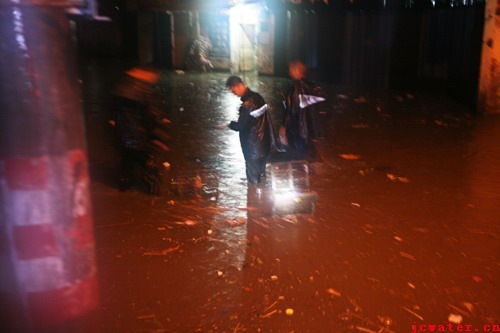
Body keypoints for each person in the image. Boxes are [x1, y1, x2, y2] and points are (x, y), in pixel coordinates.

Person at [226, 76, 275, 184]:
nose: (234, 93)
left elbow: (240, 126)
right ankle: (262, 199)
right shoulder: (257, 97)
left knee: (253, 183)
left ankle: (254, 199)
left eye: (233, 91)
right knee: (262, 178)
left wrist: (229, 124)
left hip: (253, 148)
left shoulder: (247, 104)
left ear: (238, 86)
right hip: (263, 145)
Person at [281, 60, 326, 153]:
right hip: (310, 132)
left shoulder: (295, 88)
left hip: (298, 132)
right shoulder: (312, 87)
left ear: (297, 70)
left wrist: (284, 126)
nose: (289, 72)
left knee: (298, 159)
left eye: (291, 69)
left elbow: (292, 110)